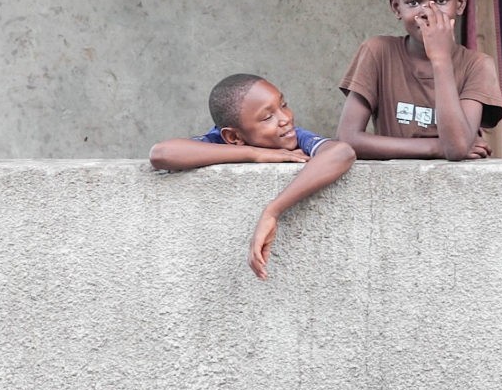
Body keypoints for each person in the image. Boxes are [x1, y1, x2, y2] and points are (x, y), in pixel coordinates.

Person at [150, 73, 355, 280]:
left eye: (283, 105)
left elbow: (341, 153)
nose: (285, 118)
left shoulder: (293, 136)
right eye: (268, 117)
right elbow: (162, 153)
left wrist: (273, 211)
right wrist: (256, 153)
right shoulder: (217, 141)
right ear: (234, 137)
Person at [337, 0, 502, 160]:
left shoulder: (477, 65)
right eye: (413, 2)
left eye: (441, 1)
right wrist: (435, 147)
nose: (427, 12)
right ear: (397, 7)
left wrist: (441, 59)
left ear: (460, 4)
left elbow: (455, 148)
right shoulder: (378, 53)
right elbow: (347, 139)